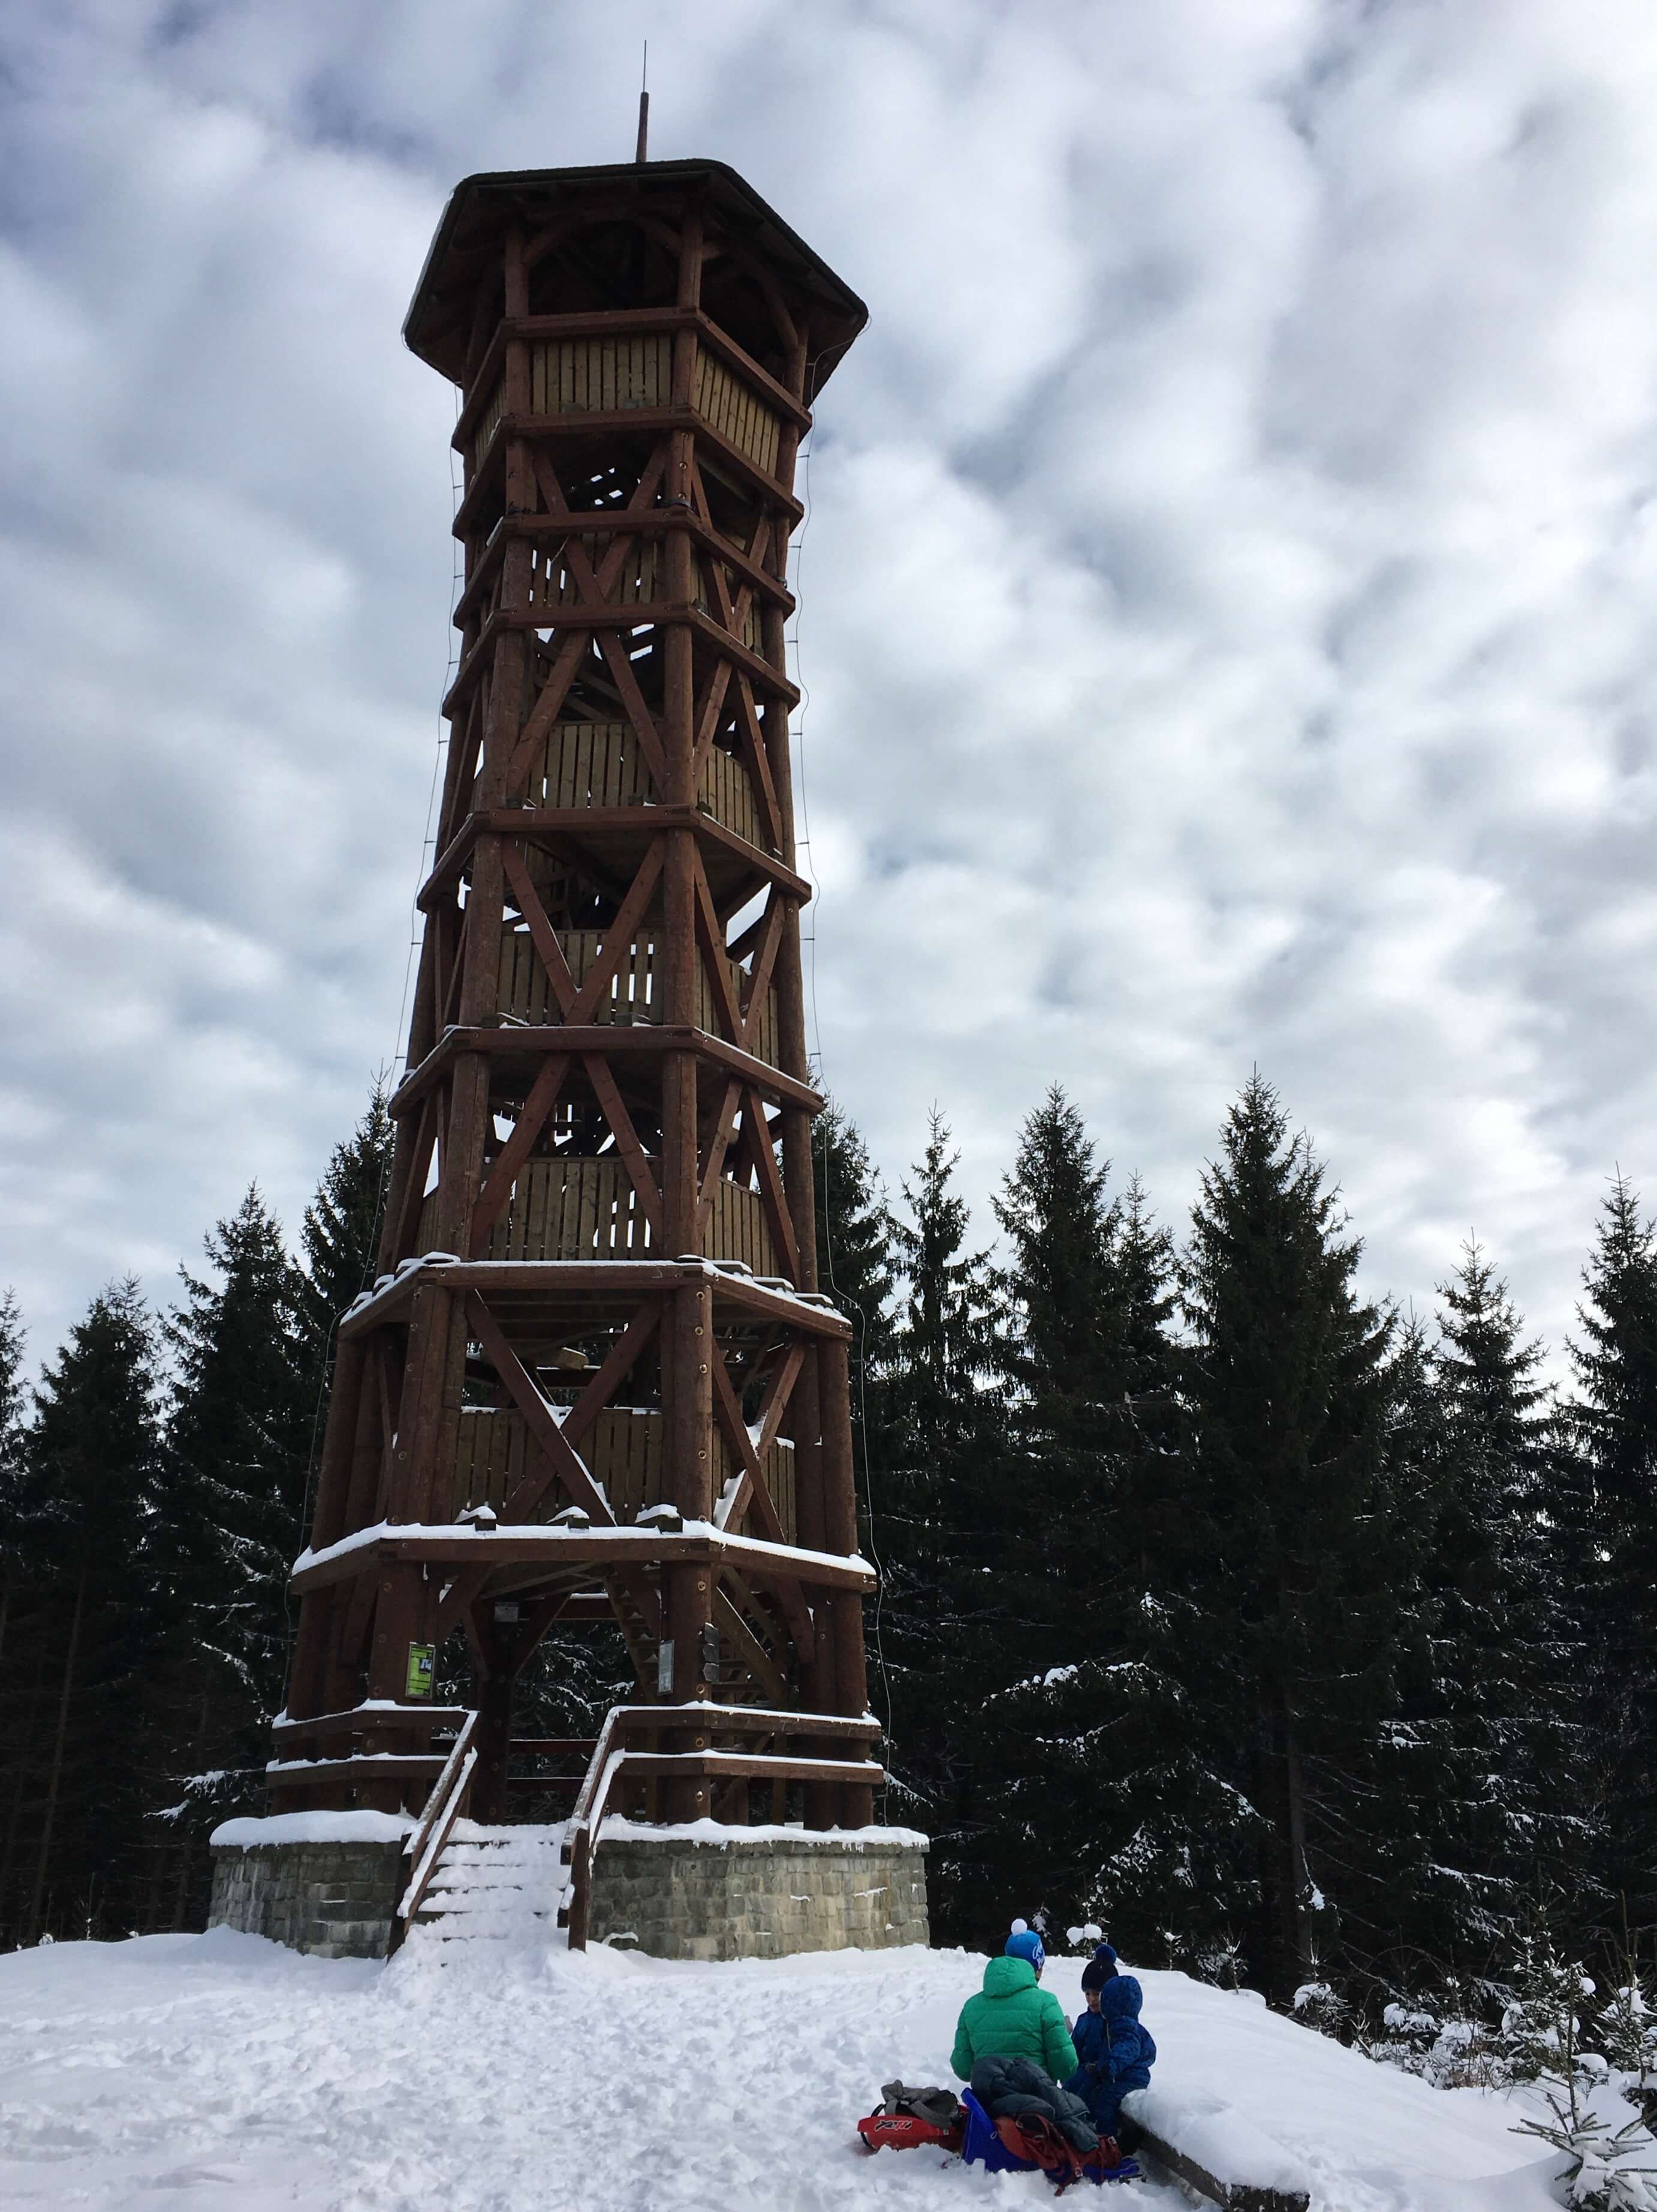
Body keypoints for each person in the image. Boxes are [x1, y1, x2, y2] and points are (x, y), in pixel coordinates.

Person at [950, 1922, 1078, 2083]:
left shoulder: (971, 2007)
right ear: (1038, 1967)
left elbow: (962, 2068)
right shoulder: (1046, 2004)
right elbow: (1066, 2067)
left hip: (988, 2097)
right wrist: (1061, 2034)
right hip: (1037, 2097)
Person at [1064, 1943, 1156, 2141]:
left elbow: (1126, 2048)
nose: (1091, 2000)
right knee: (1071, 2090)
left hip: (1111, 2074)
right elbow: (1075, 2049)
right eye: (1087, 1994)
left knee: (1100, 2100)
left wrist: (1106, 2066)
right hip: (1093, 2071)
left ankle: (1101, 2139)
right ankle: (1068, 2127)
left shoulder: (1115, 2023)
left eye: (1097, 1994)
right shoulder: (1085, 2020)